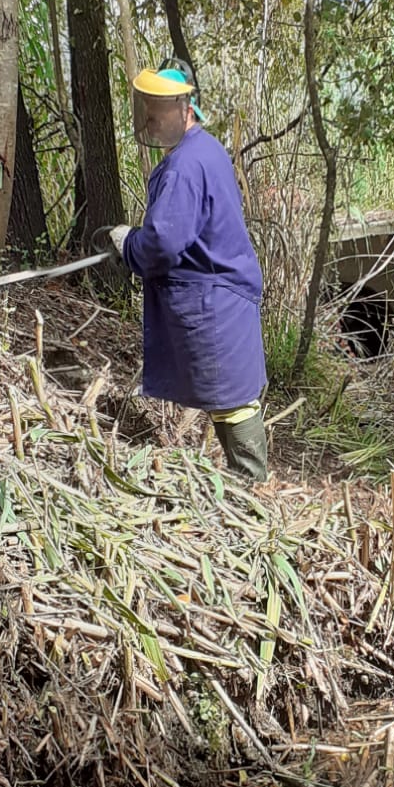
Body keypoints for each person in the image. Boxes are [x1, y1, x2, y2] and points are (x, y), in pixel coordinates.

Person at [107, 62, 269, 483]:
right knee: (228, 398)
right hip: (219, 296)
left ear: (186, 109)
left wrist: (129, 245)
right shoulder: (206, 150)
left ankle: (250, 486)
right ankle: (244, 486)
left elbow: (162, 243)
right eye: (148, 107)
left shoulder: (186, 164)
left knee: (233, 399)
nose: (151, 118)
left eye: (159, 108)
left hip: (214, 302)